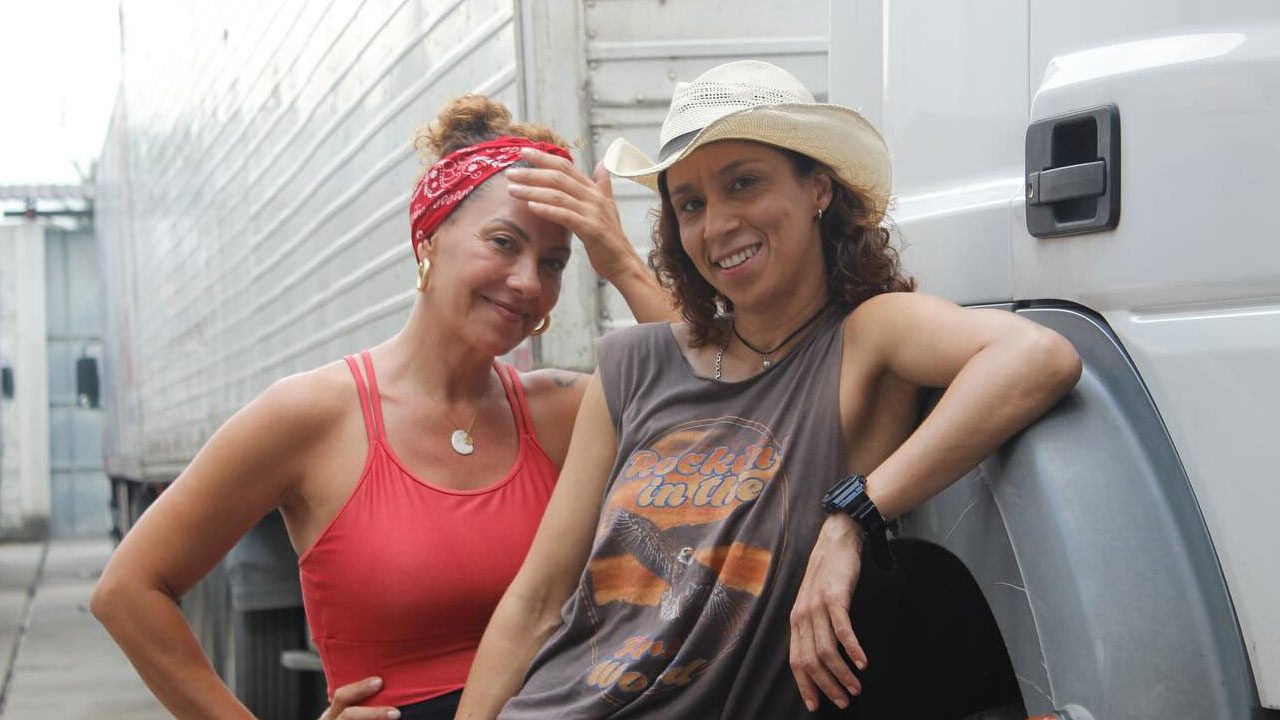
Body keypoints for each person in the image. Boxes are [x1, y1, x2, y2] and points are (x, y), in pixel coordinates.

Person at [442, 60, 1082, 719]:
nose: (716, 224)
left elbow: (1035, 357)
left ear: (819, 190)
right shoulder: (634, 363)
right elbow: (537, 601)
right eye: (690, 203)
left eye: (742, 183)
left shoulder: (866, 339)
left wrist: (852, 518)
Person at [90, 94, 673, 720]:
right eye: (503, 242)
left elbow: (720, 408)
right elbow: (128, 592)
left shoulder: (563, 409)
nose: (529, 281)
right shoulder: (311, 415)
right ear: (428, 238)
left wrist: (620, 262)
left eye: (554, 262)